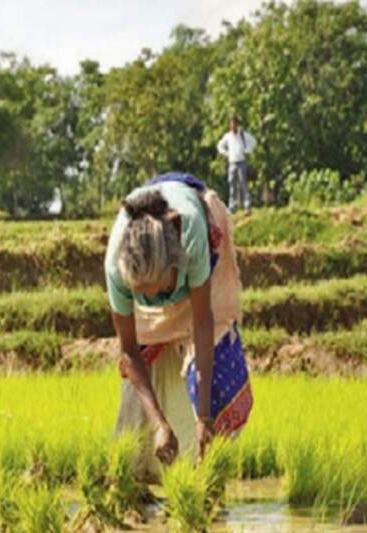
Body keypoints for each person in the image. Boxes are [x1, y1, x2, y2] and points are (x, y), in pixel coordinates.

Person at [105, 173, 253, 480]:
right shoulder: (117, 267)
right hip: (148, 257)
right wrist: (160, 424)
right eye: (143, 294)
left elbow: (203, 324)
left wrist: (204, 416)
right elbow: (129, 351)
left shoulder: (193, 242)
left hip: (199, 231)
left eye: (160, 290)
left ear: (176, 266)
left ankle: (206, 475)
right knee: (143, 377)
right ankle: (140, 477)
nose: (157, 300)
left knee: (217, 368)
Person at [216, 116, 257, 215]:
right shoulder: (228, 136)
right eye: (231, 124)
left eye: (234, 123)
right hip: (232, 163)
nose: (233, 125)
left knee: (243, 184)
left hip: (241, 162)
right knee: (232, 185)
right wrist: (226, 153)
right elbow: (219, 146)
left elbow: (253, 141)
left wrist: (247, 150)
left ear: (237, 124)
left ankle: (247, 206)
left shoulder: (242, 134)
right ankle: (232, 207)